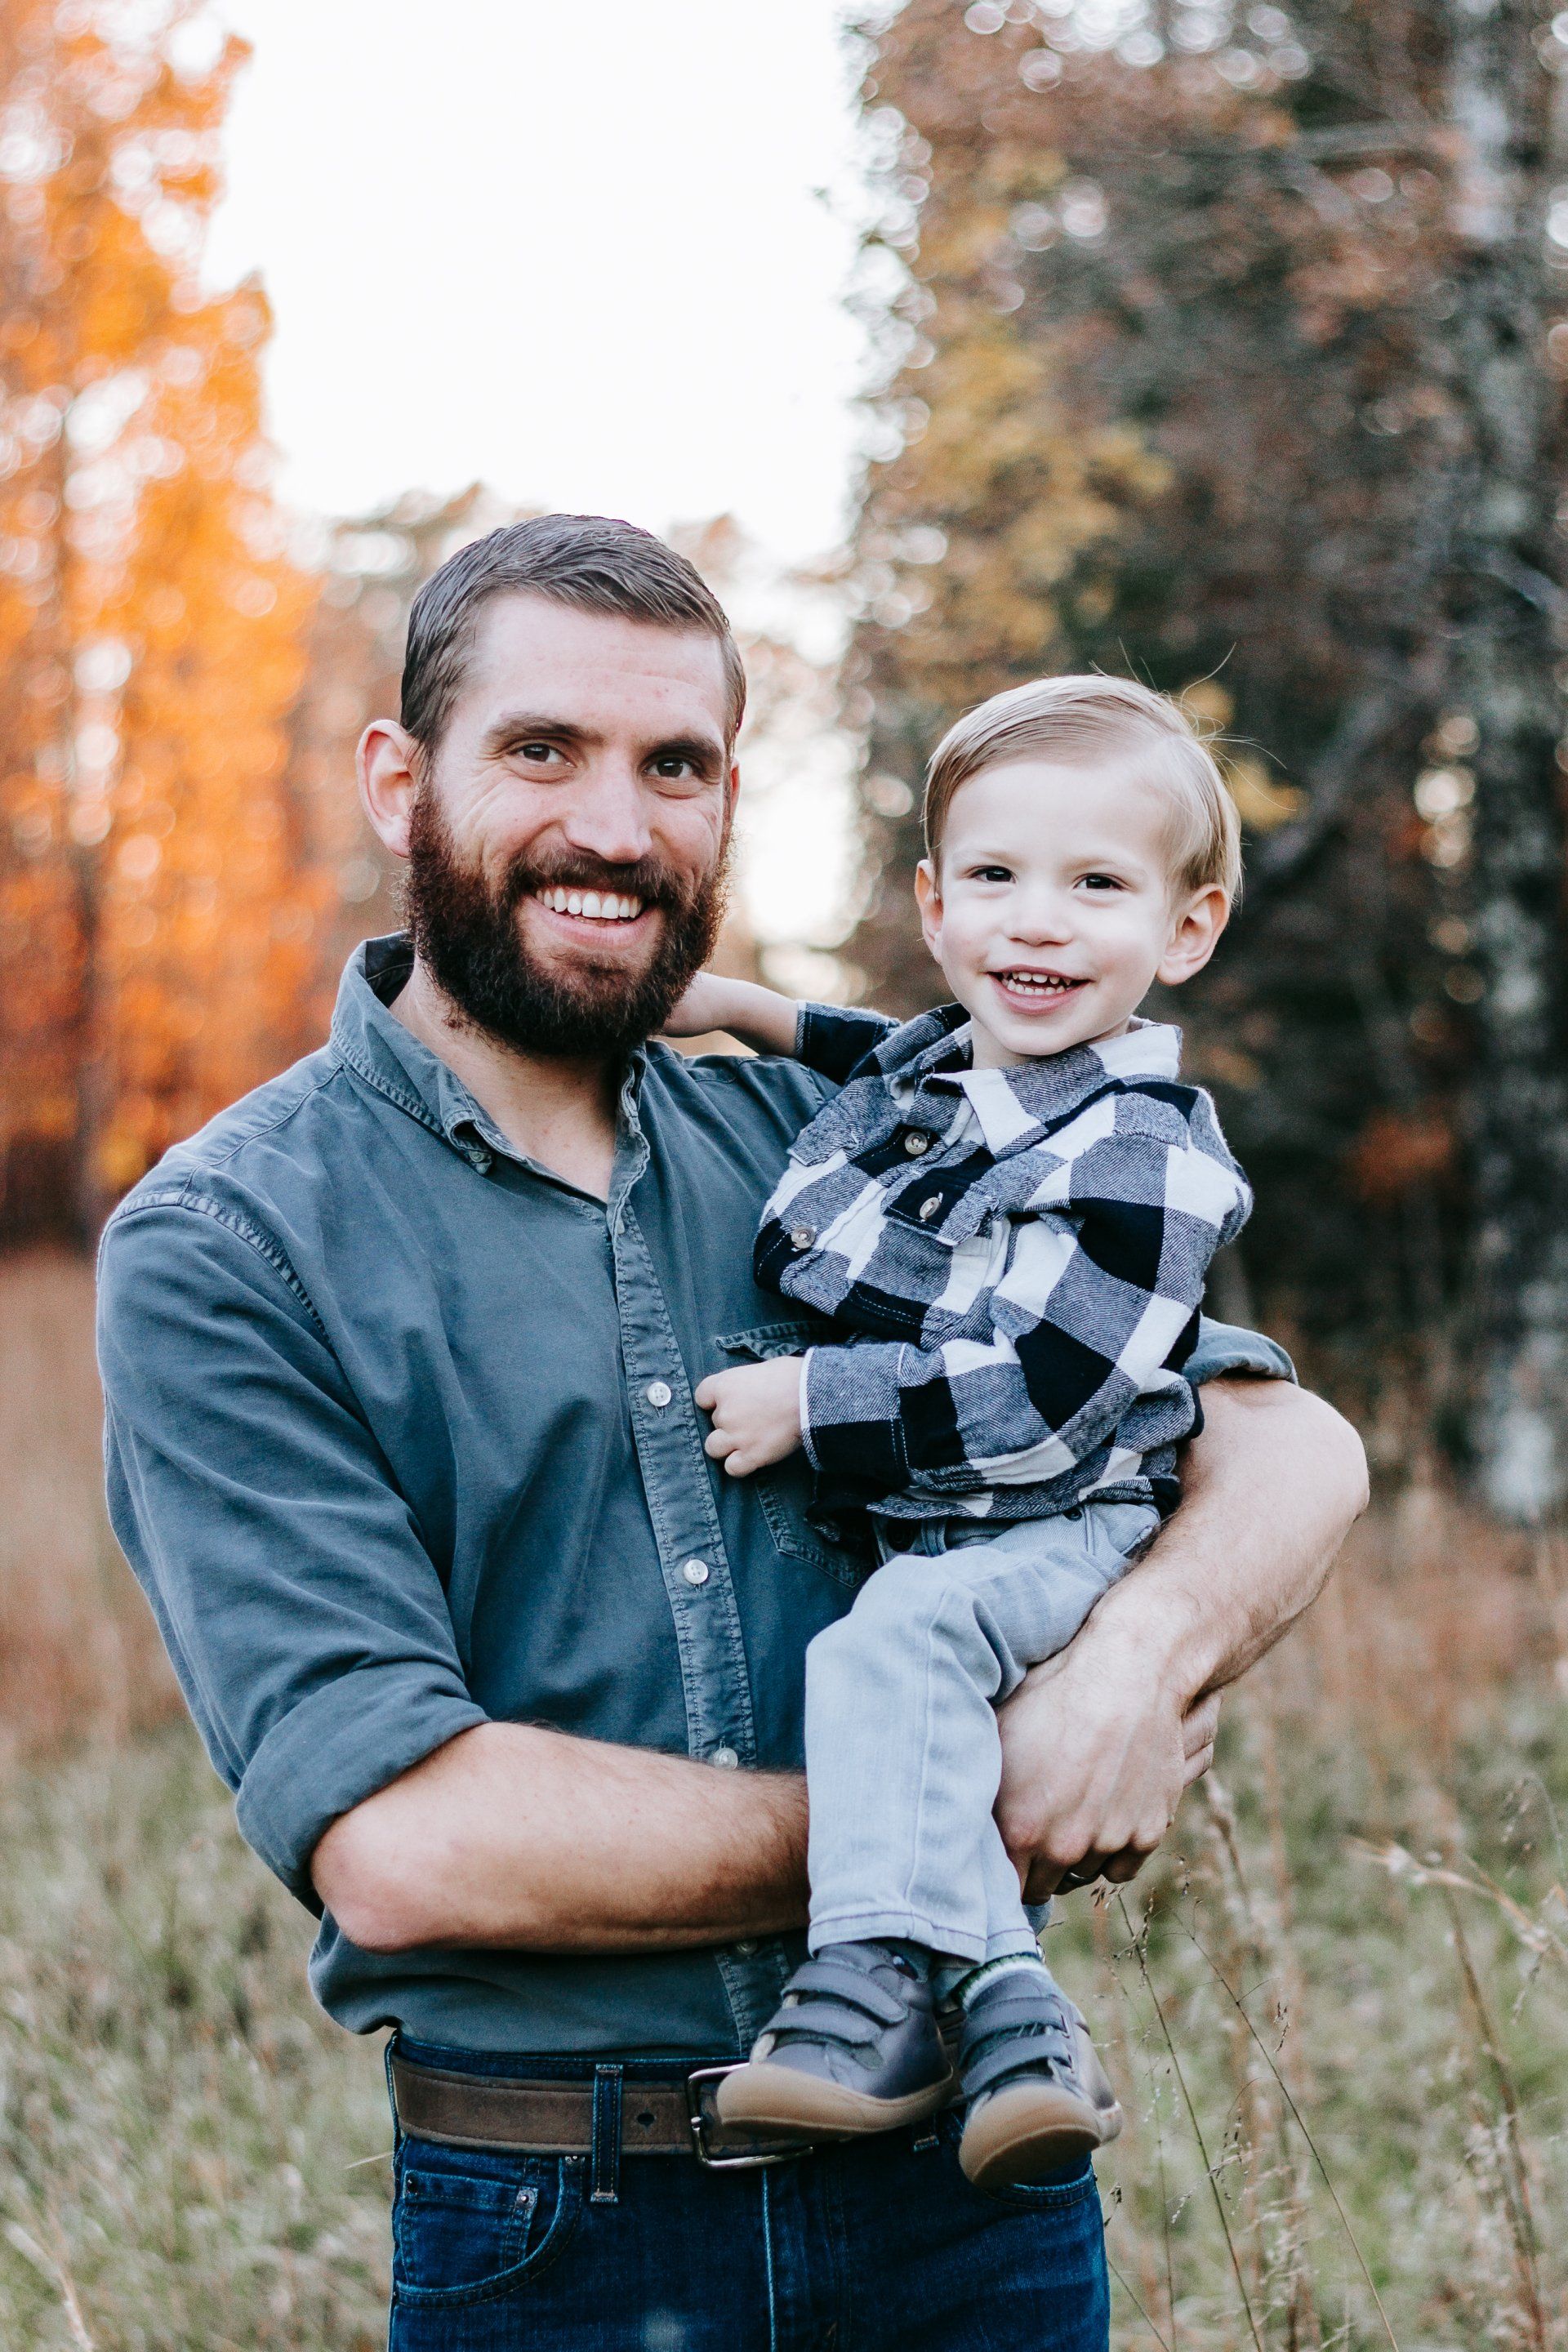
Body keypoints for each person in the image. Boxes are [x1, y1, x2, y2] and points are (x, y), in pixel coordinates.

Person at [96, 514, 1367, 2352]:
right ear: (400, 779)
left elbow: (1278, 1431)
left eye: (672, 765)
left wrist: (1143, 1661)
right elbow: (407, 1840)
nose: (615, 824)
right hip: (568, 2223)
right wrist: (961, 1802)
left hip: (967, 2198)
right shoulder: (234, 1242)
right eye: (544, 750)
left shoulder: (841, 1145)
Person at [662, 676, 1251, 2192]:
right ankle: (1011, 2013)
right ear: (935, 906)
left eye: (1097, 886)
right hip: (971, 1524)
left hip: (1058, 1518)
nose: (1036, 924)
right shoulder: (958, 1069)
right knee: (909, 1671)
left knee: (887, 1655)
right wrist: (747, 1009)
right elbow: (898, 1044)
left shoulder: (1145, 1159)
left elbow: (1045, 1396)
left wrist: (819, 1405)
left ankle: (866, 1987)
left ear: (1186, 929)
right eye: (994, 879)